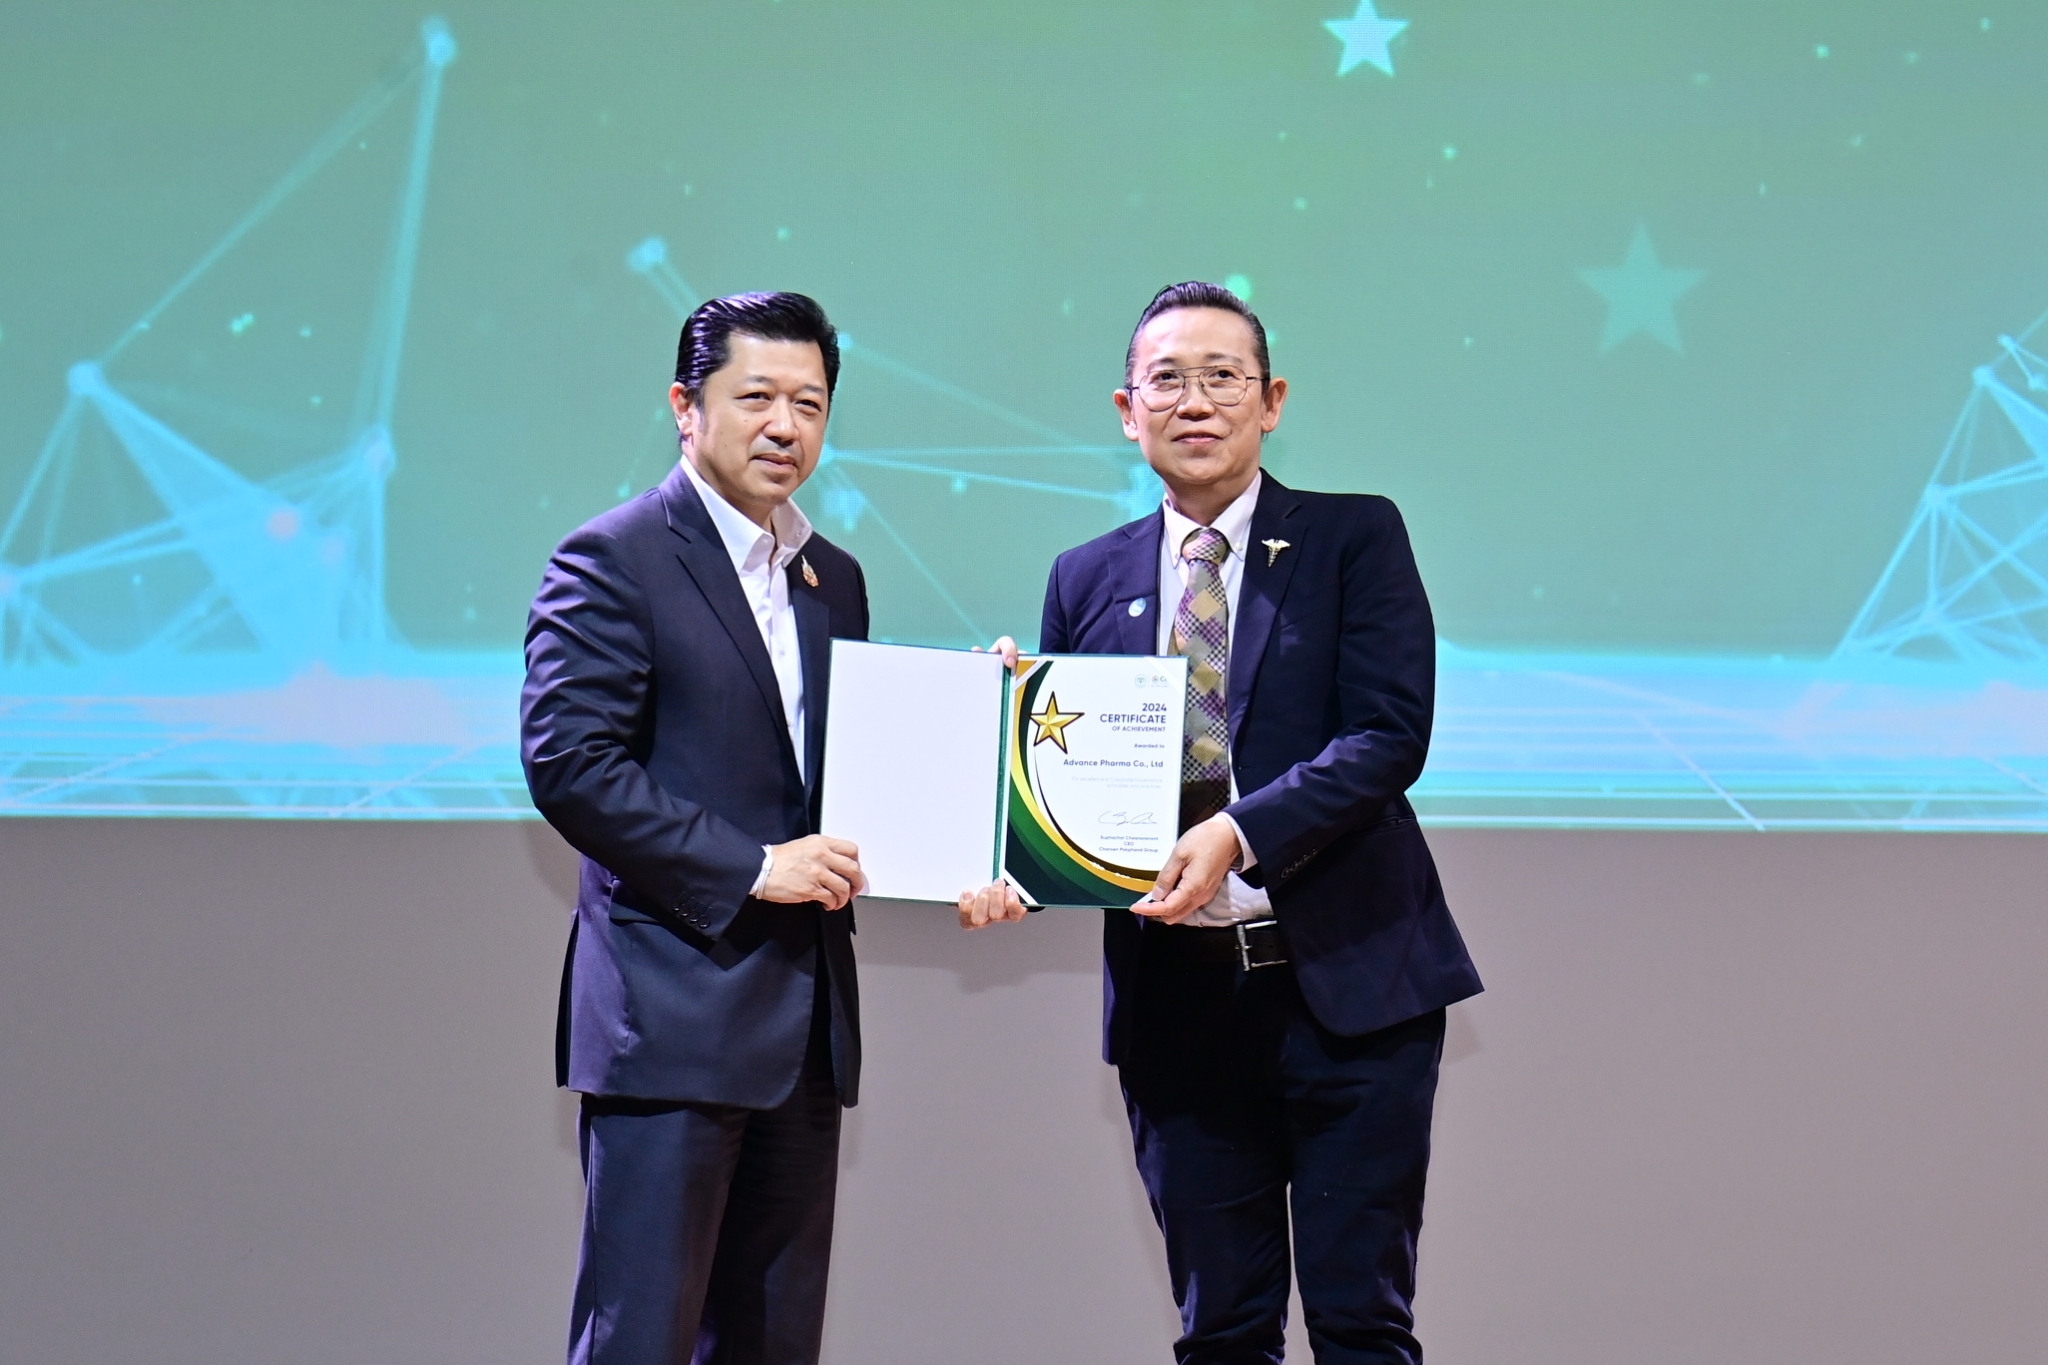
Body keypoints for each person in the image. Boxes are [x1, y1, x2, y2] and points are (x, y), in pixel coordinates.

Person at [961, 282, 1482, 1363]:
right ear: (1126, 410)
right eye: (1166, 380)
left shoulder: (1353, 537)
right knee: (1221, 1332)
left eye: (1221, 378)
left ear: (1271, 400)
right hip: (1180, 1007)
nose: (1193, 403)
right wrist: (1001, 780)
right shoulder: (1085, 576)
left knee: (1361, 1322)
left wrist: (1236, 833)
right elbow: (1071, 785)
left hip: (1350, 989)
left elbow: (1388, 735)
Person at [521, 291, 870, 1365]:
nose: (784, 426)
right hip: (670, 1022)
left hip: (803, 1035)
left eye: (808, 403)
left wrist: (987, 734)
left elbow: (845, 776)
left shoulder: (833, 579)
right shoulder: (613, 557)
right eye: (756, 397)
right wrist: (753, 866)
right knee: (639, 1339)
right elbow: (570, 765)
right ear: (686, 406)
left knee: (774, 1345)